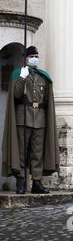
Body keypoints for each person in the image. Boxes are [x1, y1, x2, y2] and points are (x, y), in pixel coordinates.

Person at [2, 46, 59, 195]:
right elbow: (16, 95)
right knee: (21, 151)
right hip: (22, 117)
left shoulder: (43, 76)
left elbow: (47, 99)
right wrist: (22, 78)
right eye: (32, 56)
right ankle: (20, 181)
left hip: (40, 119)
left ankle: (37, 182)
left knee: (37, 153)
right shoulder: (18, 74)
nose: (35, 58)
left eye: (36, 56)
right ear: (26, 59)